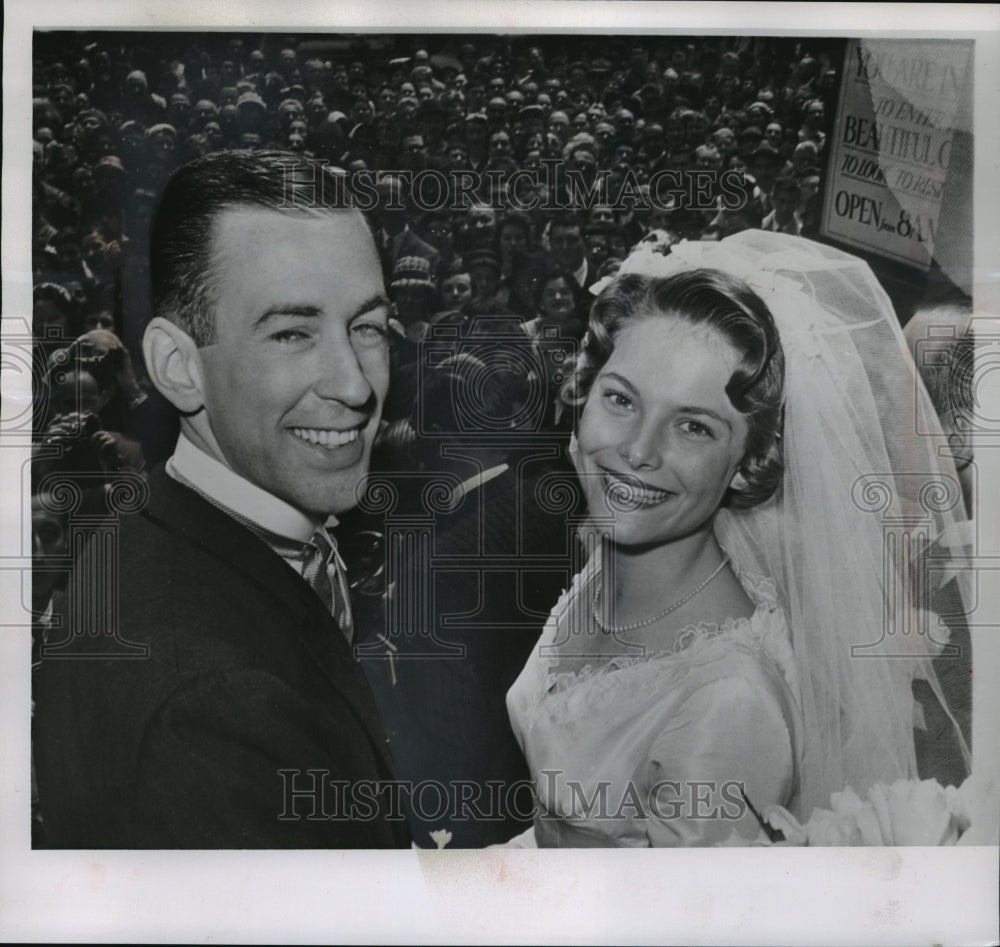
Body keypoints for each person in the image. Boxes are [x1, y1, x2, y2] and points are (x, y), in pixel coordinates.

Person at [505, 231, 971, 847]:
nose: (639, 451)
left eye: (693, 427)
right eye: (621, 399)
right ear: (582, 397)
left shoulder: (729, 705)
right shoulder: (612, 568)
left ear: (749, 462)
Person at [34, 150, 409, 849]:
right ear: (178, 368)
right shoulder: (212, 708)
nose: (356, 384)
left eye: (367, 327)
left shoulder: (155, 522)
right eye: (292, 333)